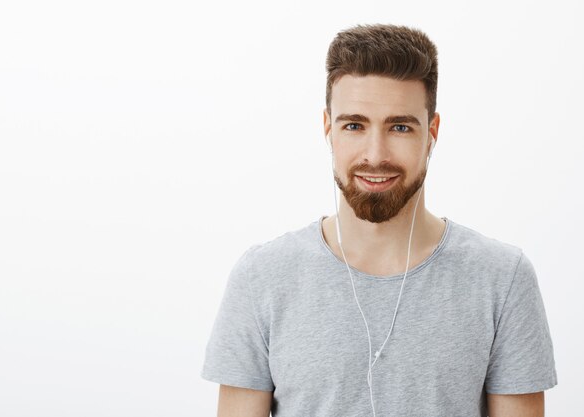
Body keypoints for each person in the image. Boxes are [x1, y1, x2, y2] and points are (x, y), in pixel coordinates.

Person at [200, 23, 557, 417]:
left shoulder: (502, 279)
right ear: (328, 129)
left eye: (400, 127)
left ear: (432, 134)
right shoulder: (262, 278)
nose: (375, 154)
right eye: (354, 125)